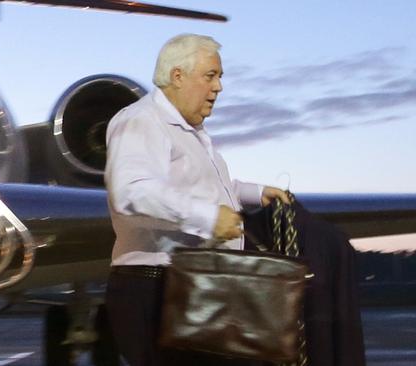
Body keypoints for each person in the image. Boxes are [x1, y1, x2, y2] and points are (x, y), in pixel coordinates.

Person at [104, 33, 290, 366]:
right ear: (178, 76)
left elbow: (206, 188)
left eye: (219, 77)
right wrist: (208, 217)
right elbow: (132, 191)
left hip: (194, 285)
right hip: (157, 289)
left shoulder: (191, 132)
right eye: (210, 76)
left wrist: (254, 193)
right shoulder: (141, 121)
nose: (218, 87)